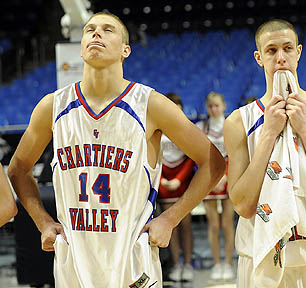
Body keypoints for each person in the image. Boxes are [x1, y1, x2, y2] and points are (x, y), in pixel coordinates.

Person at [7, 12, 225, 288]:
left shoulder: (150, 105)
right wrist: (42, 222)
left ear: (126, 50)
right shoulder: (52, 106)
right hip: (74, 261)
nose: (96, 33)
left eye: (107, 29)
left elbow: (213, 162)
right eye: (90, 29)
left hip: (132, 261)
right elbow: (18, 169)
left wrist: (170, 218)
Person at [224, 19, 306, 287]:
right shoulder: (238, 122)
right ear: (259, 58)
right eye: (271, 51)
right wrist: (269, 133)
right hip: (261, 258)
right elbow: (244, 205)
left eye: (287, 49)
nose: (280, 58)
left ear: (299, 52)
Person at [196, 92, 235, 280]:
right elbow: (199, 155)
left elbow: (236, 155)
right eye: (210, 106)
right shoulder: (201, 127)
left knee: (227, 224)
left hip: (229, 177)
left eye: (217, 105)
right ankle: (216, 263)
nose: (214, 109)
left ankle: (228, 263)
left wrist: (225, 176)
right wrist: (213, 177)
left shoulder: (232, 124)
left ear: (224, 106)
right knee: (213, 225)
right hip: (209, 177)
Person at [158, 92, 196, 282]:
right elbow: (152, 157)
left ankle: (188, 263)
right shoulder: (157, 127)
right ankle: (176, 264)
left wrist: (179, 180)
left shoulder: (187, 128)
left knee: (186, 225)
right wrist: (161, 180)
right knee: (169, 225)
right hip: (164, 181)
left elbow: (192, 158)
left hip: (183, 182)